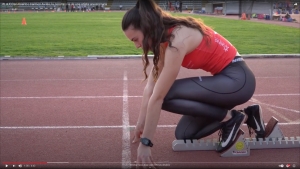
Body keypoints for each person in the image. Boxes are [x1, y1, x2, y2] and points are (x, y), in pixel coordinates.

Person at [121, 0, 265, 167]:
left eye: (136, 39)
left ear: (146, 28)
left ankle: (231, 118)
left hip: (238, 80)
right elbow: (151, 86)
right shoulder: (163, 40)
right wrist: (141, 122)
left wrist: (146, 142)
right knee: (184, 134)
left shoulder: (177, 41)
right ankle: (249, 115)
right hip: (225, 81)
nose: (137, 46)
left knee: (165, 94)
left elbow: (158, 96)